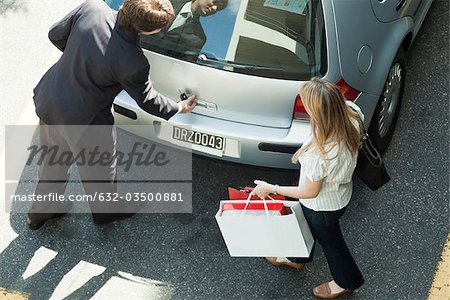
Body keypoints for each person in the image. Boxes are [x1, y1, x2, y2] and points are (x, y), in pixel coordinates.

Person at [27, 0, 197, 230]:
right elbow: (149, 101)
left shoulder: (92, 8)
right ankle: (105, 213)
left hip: (51, 99)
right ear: (148, 30)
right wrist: (180, 107)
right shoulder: (133, 61)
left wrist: (81, 59)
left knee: (52, 161)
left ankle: (39, 214)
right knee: (98, 170)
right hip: (88, 120)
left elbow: (55, 34)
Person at [251, 77, 365, 299]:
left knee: (332, 243)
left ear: (320, 113)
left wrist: (271, 187)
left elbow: (310, 192)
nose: (302, 103)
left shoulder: (319, 153)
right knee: (304, 226)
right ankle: (296, 258)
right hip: (339, 194)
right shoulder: (352, 112)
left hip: (322, 205)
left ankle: (346, 281)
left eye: (306, 103)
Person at [141, 0, 228, 61]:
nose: (215, 8)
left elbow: (182, 68)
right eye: (215, 2)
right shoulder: (164, 2)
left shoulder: (198, 38)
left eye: (218, 9)